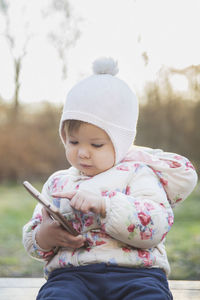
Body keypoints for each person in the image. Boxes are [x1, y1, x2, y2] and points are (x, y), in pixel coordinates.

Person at [23, 57, 197, 300]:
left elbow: (157, 224)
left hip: (138, 274)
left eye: (96, 144)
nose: (82, 152)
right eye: (73, 142)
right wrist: (44, 236)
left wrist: (105, 205)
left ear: (121, 143)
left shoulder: (138, 174)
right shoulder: (58, 182)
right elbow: (33, 238)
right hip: (72, 276)